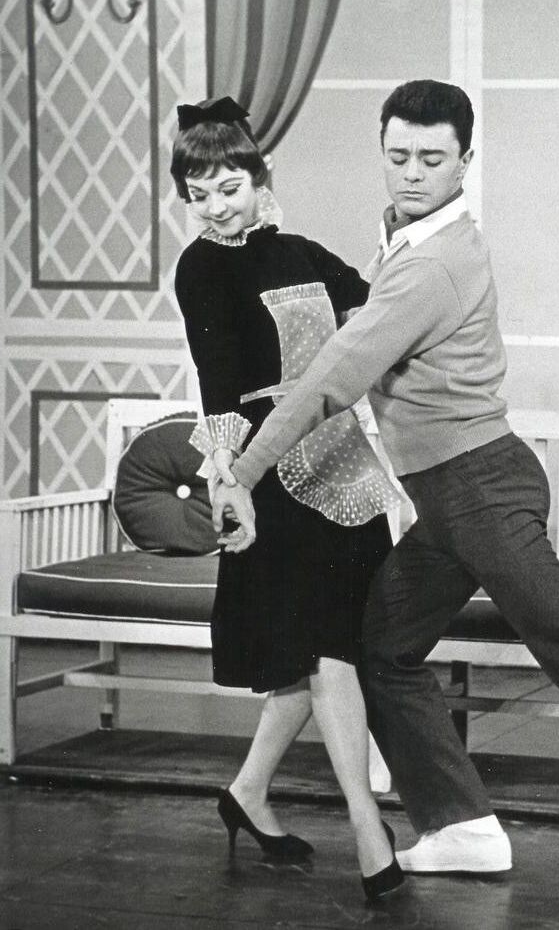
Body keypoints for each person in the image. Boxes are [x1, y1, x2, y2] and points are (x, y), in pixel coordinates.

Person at [212, 80, 559, 930]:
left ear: (465, 162)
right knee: (382, 645)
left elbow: (336, 375)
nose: (411, 172)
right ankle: (460, 825)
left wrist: (244, 471)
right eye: (398, 155)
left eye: (431, 158)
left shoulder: (434, 261)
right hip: (449, 499)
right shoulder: (409, 242)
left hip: (480, 489)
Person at [170, 95, 403, 901]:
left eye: (228, 187)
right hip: (270, 477)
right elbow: (218, 381)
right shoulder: (201, 268)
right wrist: (230, 480)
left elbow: (373, 307)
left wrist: (400, 249)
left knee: (325, 653)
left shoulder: (300, 251)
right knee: (324, 649)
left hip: (342, 466)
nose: (214, 206)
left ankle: (247, 792)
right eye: (198, 194)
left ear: (260, 177)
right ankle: (369, 831)